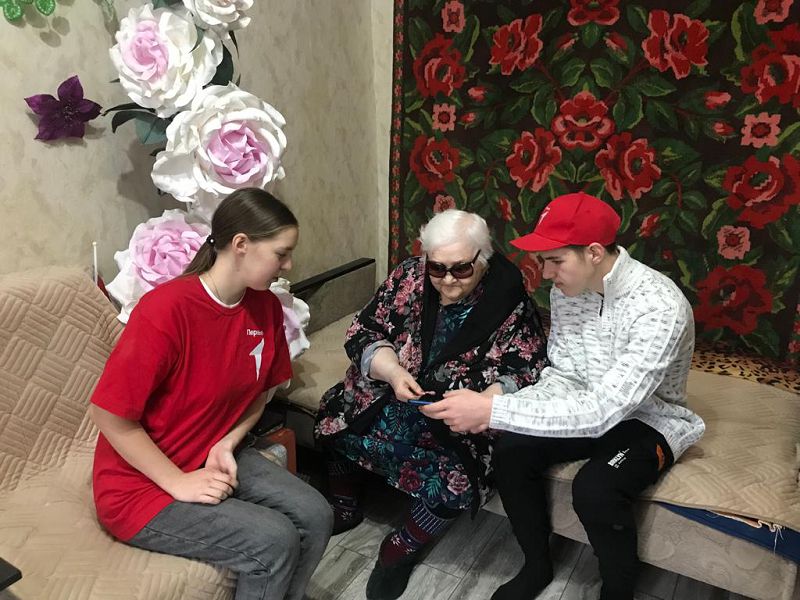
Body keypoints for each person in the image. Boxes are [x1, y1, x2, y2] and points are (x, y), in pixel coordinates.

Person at [422, 192, 705, 600]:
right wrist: (495, 406)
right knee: (510, 451)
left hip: (649, 419)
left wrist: (493, 410)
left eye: (555, 260)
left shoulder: (660, 306)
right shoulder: (568, 291)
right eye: (543, 261)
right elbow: (565, 374)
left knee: (595, 490)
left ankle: (617, 592)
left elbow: (605, 410)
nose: (546, 273)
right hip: (582, 404)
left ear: (594, 252)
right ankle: (536, 566)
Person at [89, 188, 333, 600]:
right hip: (139, 485)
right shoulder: (166, 311)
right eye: (281, 253)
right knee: (273, 541)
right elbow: (108, 415)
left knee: (317, 514)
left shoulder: (265, 308)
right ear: (241, 244)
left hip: (209, 451)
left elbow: (261, 392)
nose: (288, 265)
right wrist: (177, 482)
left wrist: (227, 441)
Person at [314, 209, 548, 600]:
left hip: (452, 415)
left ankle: (400, 548)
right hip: (389, 392)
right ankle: (345, 504)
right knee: (334, 421)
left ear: (483, 258)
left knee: (457, 482)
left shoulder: (509, 299)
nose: (448, 280)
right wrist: (391, 370)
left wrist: (484, 401)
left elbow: (528, 366)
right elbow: (364, 329)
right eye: (437, 268)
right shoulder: (409, 275)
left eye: (461, 269)